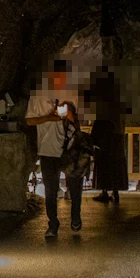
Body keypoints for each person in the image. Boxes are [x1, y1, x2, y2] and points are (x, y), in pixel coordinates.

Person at [26, 65, 82, 238]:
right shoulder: (38, 95)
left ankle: (75, 217)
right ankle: (53, 223)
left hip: (69, 148)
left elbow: (75, 120)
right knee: (51, 189)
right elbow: (30, 120)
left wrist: (69, 113)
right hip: (47, 149)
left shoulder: (71, 92)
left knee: (74, 185)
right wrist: (49, 117)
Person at [86, 66, 128, 203]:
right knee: (115, 164)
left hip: (106, 136)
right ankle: (114, 192)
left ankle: (105, 191)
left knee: (104, 164)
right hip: (117, 135)